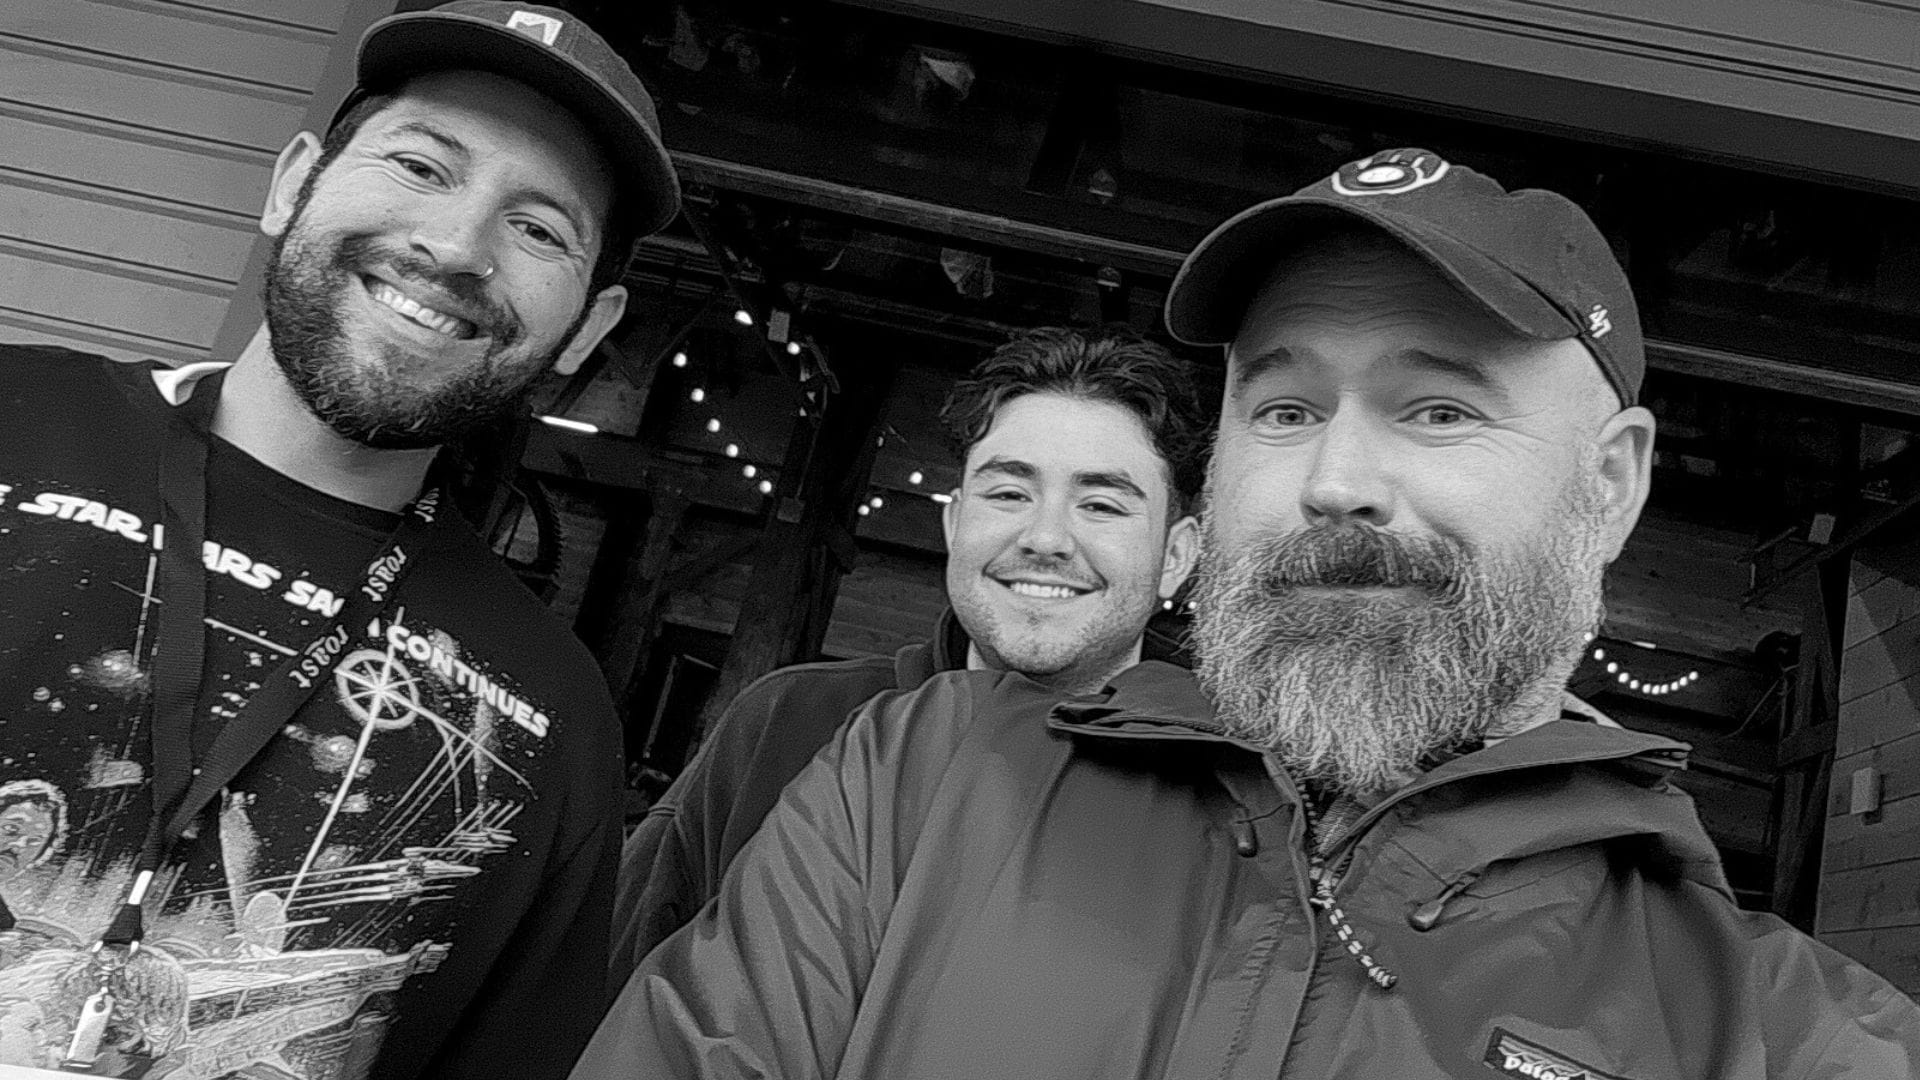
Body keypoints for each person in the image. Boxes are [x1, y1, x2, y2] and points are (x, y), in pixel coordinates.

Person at [573, 150, 1920, 1078]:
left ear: (1612, 486)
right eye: (1283, 408)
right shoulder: (918, 782)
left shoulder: (1775, 1034)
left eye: (1436, 407)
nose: (1336, 480)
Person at [0, 3, 679, 1076]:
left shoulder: (554, 720)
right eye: (421, 165)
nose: (456, 248)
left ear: (587, 329)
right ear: (292, 181)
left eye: (539, 228)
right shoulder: (13, 421)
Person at [610, 325, 1205, 983]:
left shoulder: (1224, 793)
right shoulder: (789, 722)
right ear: (955, 524)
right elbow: (616, 983)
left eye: (1100, 504)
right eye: (1009, 493)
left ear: (1175, 557)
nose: (1045, 537)